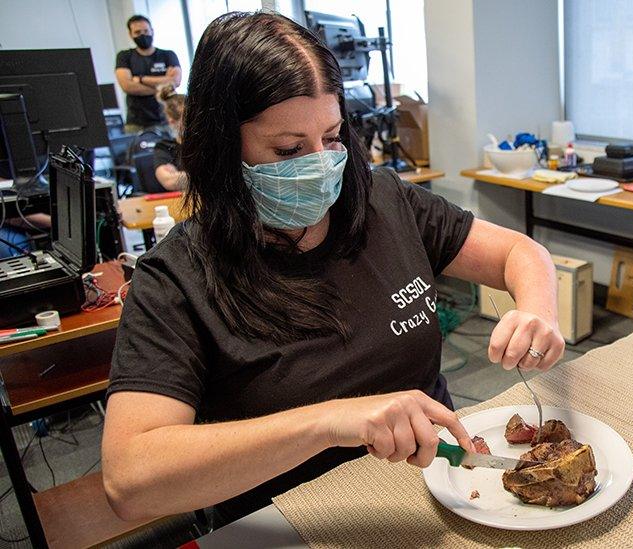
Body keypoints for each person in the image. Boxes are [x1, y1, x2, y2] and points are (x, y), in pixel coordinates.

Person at [101, 11, 565, 528]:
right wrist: (330, 421)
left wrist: (538, 311)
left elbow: (518, 254)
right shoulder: (176, 280)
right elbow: (129, 481)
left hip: (444, 486)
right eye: (289, 149)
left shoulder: (383, 202)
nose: (320, 163)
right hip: (293, 520)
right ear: (222, 148)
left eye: (332, 136)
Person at [114, 15, 181, 134]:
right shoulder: (125, 57)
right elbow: (127, 86)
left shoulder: (168, 55)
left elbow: (175, 81)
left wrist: (140, 79)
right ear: (130, 34)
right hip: (136, 124)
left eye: (146, 31)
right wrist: (162, 86)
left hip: (166, 121)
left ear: (152, 31)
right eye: (138, 32)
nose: (143, 35)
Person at [153, 85, 187, 191]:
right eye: (187, 119)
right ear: (172, 121)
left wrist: (180, 175)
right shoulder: (164, 147)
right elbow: (169, 182)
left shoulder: (208, 144)